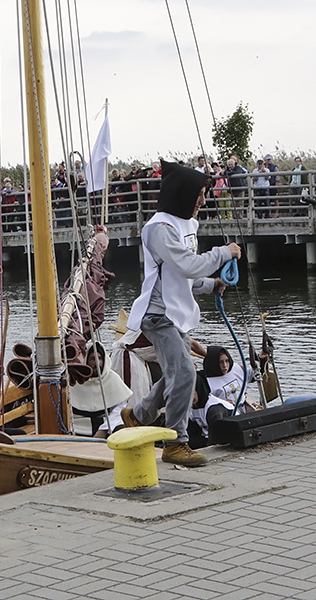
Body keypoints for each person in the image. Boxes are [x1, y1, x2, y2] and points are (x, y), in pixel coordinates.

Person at [120, 160, 241, 467]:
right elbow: (187, 265)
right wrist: (224, 252)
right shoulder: (159, 229)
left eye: (204, 194)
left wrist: (209, 284)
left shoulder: (185, 223)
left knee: (178, 371)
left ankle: (137, 414)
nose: (203, 200)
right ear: (183, 194)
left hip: (176, 312)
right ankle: (176, 442)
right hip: (158, 314)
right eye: (199, 194)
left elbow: (181, 275)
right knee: (185, 372)